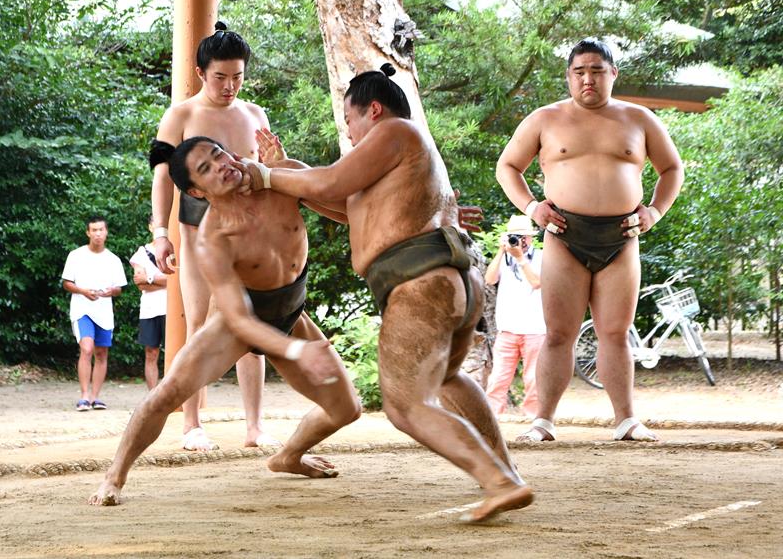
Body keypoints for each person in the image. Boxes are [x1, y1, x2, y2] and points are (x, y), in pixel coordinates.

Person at [242, 64, 533, 523]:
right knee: (449, 380)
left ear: (372, 110)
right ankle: (504, 470)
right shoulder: (403, 152)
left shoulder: (395, 130)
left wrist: (264, 176)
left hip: (421, 283)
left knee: (404, 405)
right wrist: (282, 171)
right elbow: (341, 204)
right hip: (451, 280)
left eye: (350, 122)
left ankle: (500, 482)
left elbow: (331, 182)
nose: (351, 134)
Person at [88, 137, 361, 507]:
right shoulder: (213, 239)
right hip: (234, 324)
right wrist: (296, 350)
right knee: (166, 395)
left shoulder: (281, 177)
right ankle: (114, 478)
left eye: (219, 154)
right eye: (206, 168)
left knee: (347, 409)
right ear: (198, 192)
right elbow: (238, 317)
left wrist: (285, 175)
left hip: (289, 313)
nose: (221, 165)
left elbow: (350, 212)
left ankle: (288, 457)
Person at [495, 38, 684, 442]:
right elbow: (508, 167)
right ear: (569, 77)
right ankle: (542, 421)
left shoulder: (640, 118)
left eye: (597, 70)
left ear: (613, 74)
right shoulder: (544, 119)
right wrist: (532, 208)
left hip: (621, 237)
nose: (588, 79)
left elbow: (671, 169)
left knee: (615, 332)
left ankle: (627, 420)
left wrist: (654, 210)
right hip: (565, 236)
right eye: (579, 71)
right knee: (558, 333)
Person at [149, 21, 278, 450]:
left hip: (251, 230)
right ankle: (191, 423)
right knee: (199, 322)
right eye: (221, 77)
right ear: (202, 72)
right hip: (198, 231)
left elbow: (273, 171)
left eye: (238, 77)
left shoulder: (255, 114)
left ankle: (255, 425)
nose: (230, 86)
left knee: (253, 323)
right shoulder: (181, 114)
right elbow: (163, 178)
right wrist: (159, 233)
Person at [61, 215, 127, 411]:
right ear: (88, 232)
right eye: (94, 230)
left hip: (104, 312)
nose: (98, 234)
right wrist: (84, 291)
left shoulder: (113, 260)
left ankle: (95, 397)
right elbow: (67, 283)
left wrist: (109, 292)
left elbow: (119, 288)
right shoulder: (76, 255)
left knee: (101, 352)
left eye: (101, 230)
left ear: (106, 232)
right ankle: (84, 395)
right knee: (87, 348)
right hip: (82, 310)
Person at [484, 214, 545, 417]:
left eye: (524, 237)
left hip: (535, 329)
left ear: (531, 238)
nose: (520, 241)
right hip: (507, 329)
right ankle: (493, 419)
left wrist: (520, 258)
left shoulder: (541, 257)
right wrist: (501, 251)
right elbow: (490, 279)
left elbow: (537, 282)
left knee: (534, 379)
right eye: (516, 236)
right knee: (498, 379)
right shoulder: (504, 259)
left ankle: (532, 420)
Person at [129, 214, 167, 390]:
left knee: (175, 353)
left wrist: (150, 277)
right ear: (150, 227)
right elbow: (140, 283)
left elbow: (175, 281)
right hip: (149, 309)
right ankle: (152, 394)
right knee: (151, 353)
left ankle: (171, 392)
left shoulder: (174, 251)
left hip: (171, 309)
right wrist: (161, 280)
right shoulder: (140, 254)